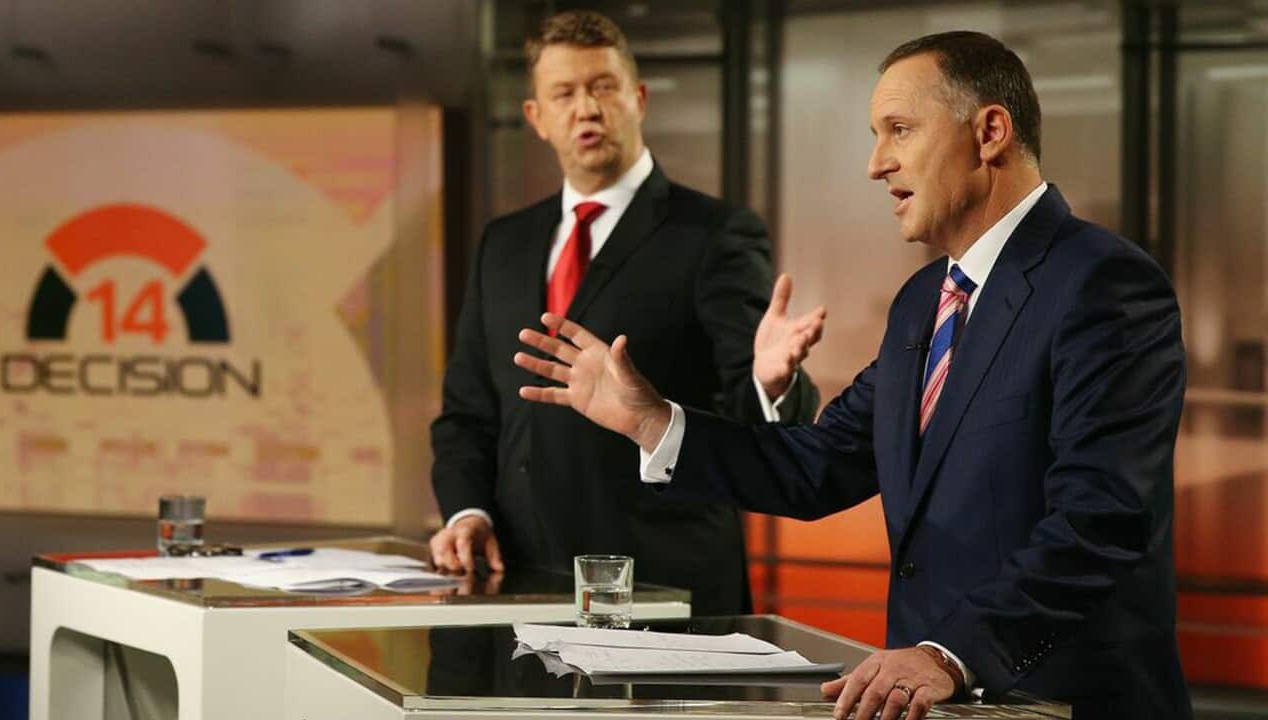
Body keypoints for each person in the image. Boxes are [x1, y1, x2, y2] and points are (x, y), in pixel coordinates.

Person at [513, 30, 1191, 720]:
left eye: (900, 129)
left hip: (1063, 703)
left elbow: (1100, 521)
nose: (876, 164)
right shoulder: (923, 301)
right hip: (929, 705)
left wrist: (948, 654)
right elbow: (818, 464)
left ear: (990, 132)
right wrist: (652, 422)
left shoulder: (1104, 285)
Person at [429, 10, 822, 617]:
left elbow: (748, 417)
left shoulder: (715, 235)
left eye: (603, 87)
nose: (586, 108)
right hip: (516, 581)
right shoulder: (502, 243)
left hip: (663, 584)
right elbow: (467, 411)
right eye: (564, 93)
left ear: (638, 98)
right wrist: (467, 513)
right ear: (536, 117)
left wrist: (772, 383)